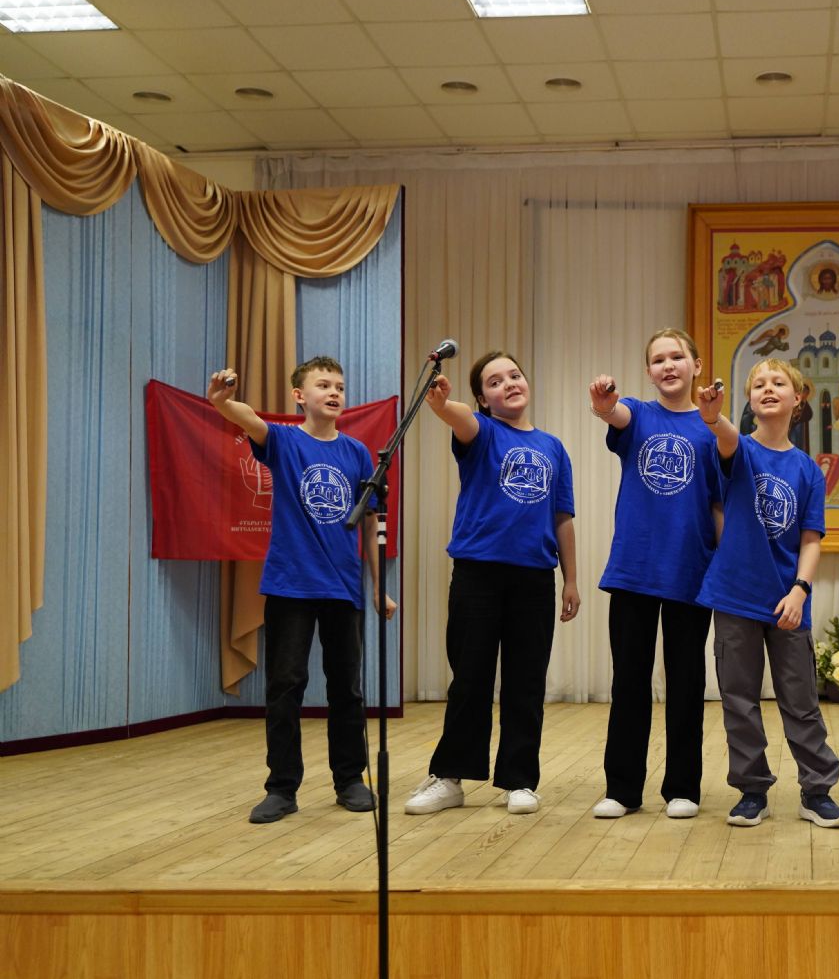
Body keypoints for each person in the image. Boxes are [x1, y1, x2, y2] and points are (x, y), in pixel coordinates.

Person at [206, 357, 396, 825]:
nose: (334, 392)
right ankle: (281, 787)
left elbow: (370, 521)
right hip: (290, 584)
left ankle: (350, 780)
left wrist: (378, 588)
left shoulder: (358, 453)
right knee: (285, 686)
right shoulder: (284, 440)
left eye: (340, 386)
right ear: (299, 396)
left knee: (346, 688)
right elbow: (247, 418)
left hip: (343, 588)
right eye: (323, 385)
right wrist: (222, 403)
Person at [404, 351, 579, 816]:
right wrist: (442, 403)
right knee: (470, 678)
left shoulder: (553, 447)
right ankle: (450, 777)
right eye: (495, 381)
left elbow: (562, 518)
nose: (509, 384)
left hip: (535, 578)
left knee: (526, 681)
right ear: (483, 398)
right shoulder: (481, 431)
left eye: (514, 375)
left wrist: (571, 579)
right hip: (478, 574)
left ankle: (519, 780)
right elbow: (458, 416)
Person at [694, 359, 839, 829]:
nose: (767, 389)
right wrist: (712, 416)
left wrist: (800, 590)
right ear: (749, 400)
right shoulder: (738, 449)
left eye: (778, 383)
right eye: (758, 384)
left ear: (797, 398)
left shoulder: (808, 470)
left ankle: (817, 791)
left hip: (788, 601)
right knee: (739, 699)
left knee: (800, 700)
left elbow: (811, 539)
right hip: (735, 595)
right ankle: (751, 791)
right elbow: (724, 435)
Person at [585, 329, 722, 821]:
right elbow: (615, 414)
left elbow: (719, 505)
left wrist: (725, 566)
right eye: (659, 359)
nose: (668, 365)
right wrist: (604, 406)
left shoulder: (713, 428)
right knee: (629, 682)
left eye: (677, 357)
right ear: (648, 372)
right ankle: (622, 788)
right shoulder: (638, 413)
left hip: (691, 571)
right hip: (634, 571)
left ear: (696, 365)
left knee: (686, 684)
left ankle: (683, 787)